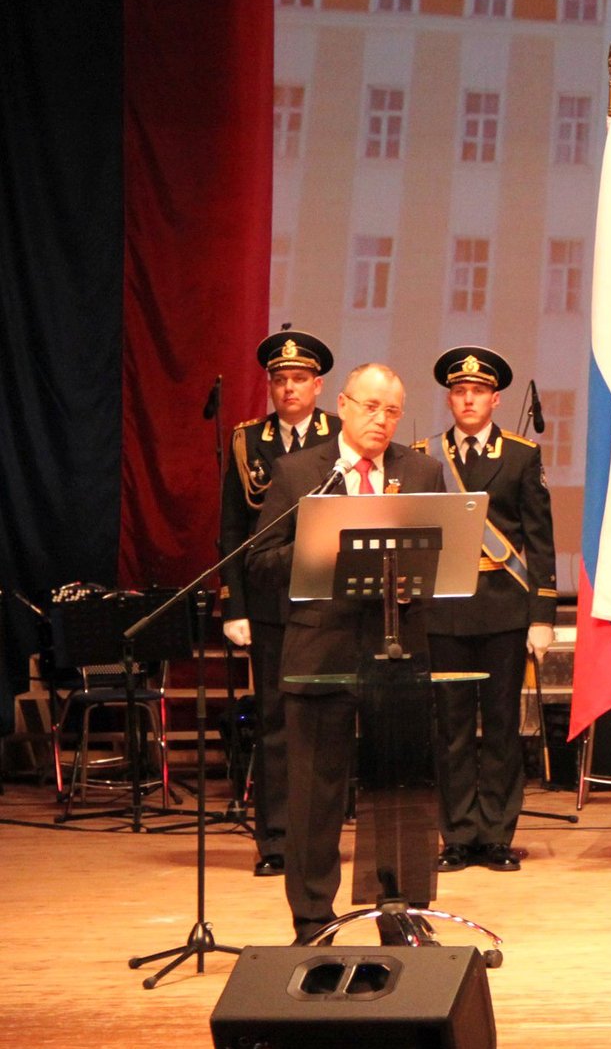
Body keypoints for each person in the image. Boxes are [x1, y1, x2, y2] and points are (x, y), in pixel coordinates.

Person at [247, 363, 446, 942]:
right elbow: (260, 564)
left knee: (399, 791)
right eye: (369, 407)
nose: (380, 420)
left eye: (392, 411)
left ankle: (400, 916)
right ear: (342, 404)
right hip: (320, 650)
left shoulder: (422, 470)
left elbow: (441, 559)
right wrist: (326, 544)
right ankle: (312, 919)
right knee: (315, 795)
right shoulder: (299, 472)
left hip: (398, 650)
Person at [416, 347, 557, 874]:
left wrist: (542, 614)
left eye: (478, 391)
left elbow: (540, 541)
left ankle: (497, 835)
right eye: (459, 391)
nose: (468, 398)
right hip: (444, 611)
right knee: (450, 728)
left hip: (502, 608)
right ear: (450, 398)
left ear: (495, 400)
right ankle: (457, 836)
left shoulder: (522, 456)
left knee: (500, 726)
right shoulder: (424, 457)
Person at [218, 327, 340, 878]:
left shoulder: (340, 437)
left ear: (317, 385)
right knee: (271, 721)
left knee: (326, 723)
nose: (288, 388)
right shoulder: (248, 441)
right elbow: (233, 533)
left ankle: (322, 837)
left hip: (327, 604)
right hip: (268, 605)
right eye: (279, 379)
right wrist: (234, 606)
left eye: (298, 379)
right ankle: (273, 840)